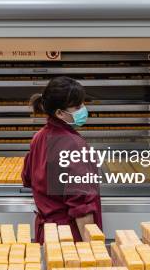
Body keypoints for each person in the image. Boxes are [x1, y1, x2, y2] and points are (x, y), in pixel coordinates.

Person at [22, 76, 102, 243]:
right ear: (59, 113)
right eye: (77, 106)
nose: (83, 109)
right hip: (69, 238)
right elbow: (82, 208)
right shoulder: (73, 145)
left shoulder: (39, 137)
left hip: (47, 234)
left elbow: (28, 178)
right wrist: (92, 251)